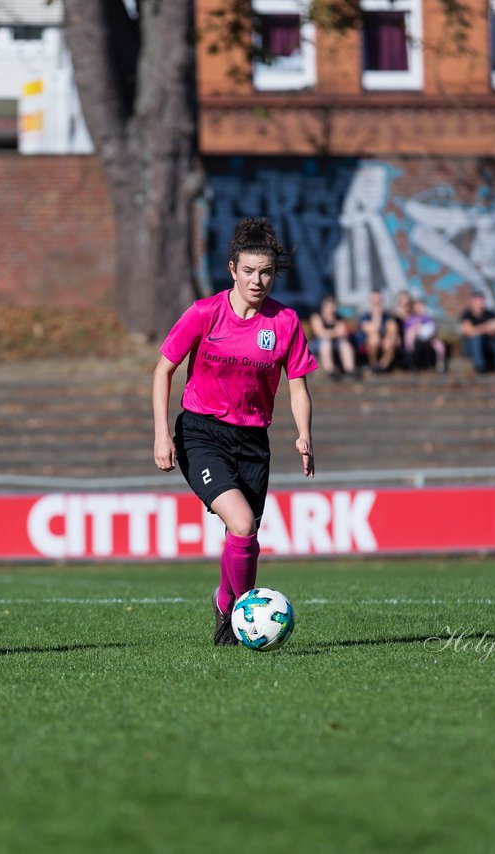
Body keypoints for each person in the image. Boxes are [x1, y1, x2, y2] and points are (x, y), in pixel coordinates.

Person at [152, 218, 317, 645]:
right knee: (242, 523)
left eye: (265, 272)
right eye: (248, 271)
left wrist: (303, 434)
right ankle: (237, 614)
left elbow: (297, 384)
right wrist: (160, 434)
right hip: (201, 433)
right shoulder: (205, 313)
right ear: (232, 269)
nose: (257, 280)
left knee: (244, 535)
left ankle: (226, 600)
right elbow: (164, 369)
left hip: (252, 441)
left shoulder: (285, 322)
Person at [459, 291, 495, 373]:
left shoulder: (490, 314)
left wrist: (490, 330)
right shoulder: (467, 315)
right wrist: (486, 328)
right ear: (472, 302)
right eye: (477, 301)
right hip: (470, 347)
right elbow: (469, 332)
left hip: (487, 345)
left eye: (481, 300)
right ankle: (480, 367)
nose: (480, 303)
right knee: (476, 338)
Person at [308, 293, 356, 380]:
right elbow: (320, 333)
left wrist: (331, 332)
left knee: (344, 343)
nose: (332, 308)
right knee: (326, 341)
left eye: (333, 305)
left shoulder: (338, 317)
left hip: (335, 343)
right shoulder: (316, 316)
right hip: (317, 345)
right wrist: (335, 332)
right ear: (324, 306)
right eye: (330, 305)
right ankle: (330, 370)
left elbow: (342, 332)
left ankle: (350, 369)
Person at [355, 290, 396, 374]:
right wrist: (377, 316)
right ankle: (373, 366)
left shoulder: (387, 316)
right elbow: (372, 329)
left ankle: (382, 366)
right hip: (366, 344)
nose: (377, 303)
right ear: (370, 301)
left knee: (390, 340)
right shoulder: (365, 316)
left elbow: (392, 329)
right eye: (375, 300)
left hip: (383, 342)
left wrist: (388, 337)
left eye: (379, 300)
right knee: (374, 338)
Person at [403, 299, 448, 373]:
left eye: (421, 306)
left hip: (428, 340)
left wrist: (422, 330)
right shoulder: (410, 319)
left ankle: (439, 366)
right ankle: (414, 365)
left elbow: (431, 330)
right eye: (417, 306)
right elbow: (408, 333)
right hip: (415, 342)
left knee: (439, 346)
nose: (419, 308)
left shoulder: (428, 318)